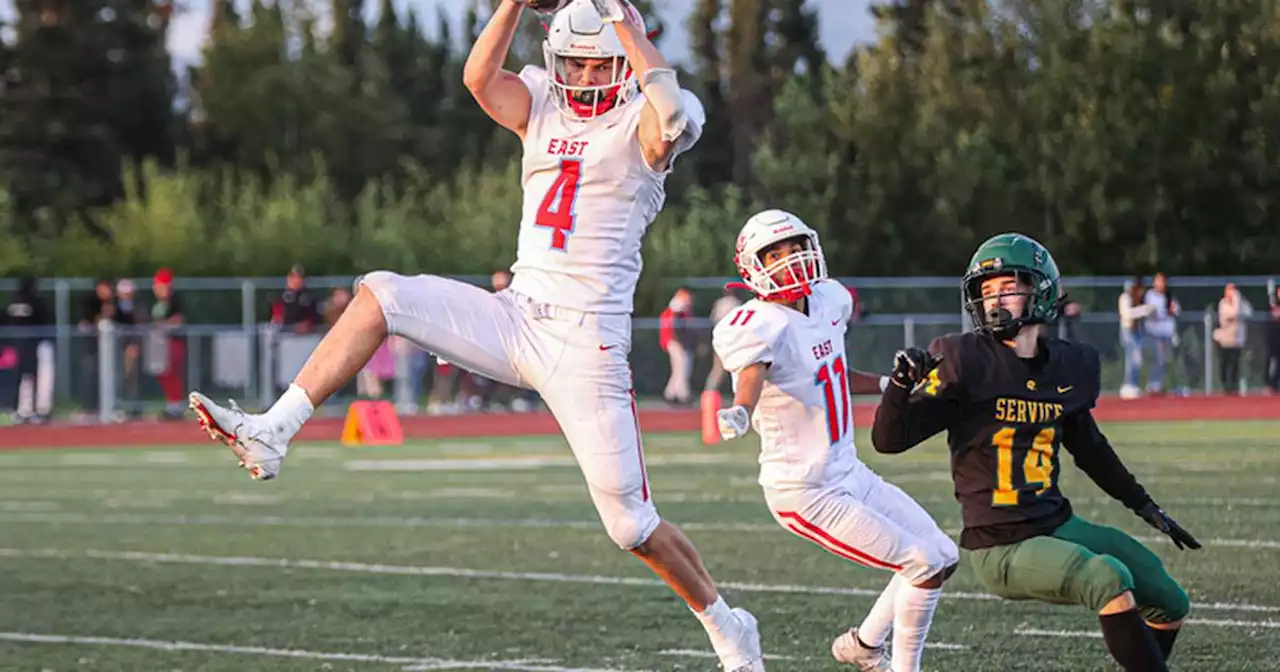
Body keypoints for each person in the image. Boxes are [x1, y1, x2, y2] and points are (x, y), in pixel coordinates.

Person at [186, 1, 763, 669]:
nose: (578, 74)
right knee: (382, 293)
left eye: (592, 62)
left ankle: (727, 625)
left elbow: (670, 114)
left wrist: (624, 22)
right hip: (515, 314)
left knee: (630, 525)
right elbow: (477, 78)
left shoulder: (646, 116)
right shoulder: (542, 101)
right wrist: (513, 3)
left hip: (586, 344)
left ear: (623, 59)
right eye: (569, 60)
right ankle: (275, 429)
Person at [872, 233, 1200, 672]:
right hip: (1000, 543)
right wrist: (898, 388)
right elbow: (888, 440)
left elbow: (1091, 447)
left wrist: (1144, 505)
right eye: (986, 292)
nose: (994, 301)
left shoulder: (1068, 365)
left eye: (1007, 288)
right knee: (1107, 576)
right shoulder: (964, 360)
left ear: (1039, 290)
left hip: (1056, 522)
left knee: (1167, 598)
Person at [712, 210, 956, 672]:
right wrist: (741, 409)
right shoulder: (758, 323)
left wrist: (888, 383)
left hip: (848, 471)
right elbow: (751, 377)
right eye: (776, 254)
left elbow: (833, 374)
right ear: (751, 266)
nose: (791, 260)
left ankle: (864, 645)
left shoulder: (827, 300)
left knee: (942, 555)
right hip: (805, 492)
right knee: (922, 563)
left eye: (796, 247)